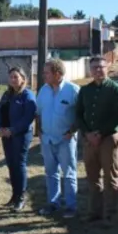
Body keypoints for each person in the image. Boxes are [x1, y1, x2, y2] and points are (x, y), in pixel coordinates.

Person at [75, 55, 118, 223]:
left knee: (110, 176)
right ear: (90, 70)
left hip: (108, 138)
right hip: (89, 139)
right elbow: (78, 114)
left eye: (101, 67)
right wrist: (87, 133)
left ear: (107, 68)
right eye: (94, 67)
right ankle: (94, 212)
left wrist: (100, 134)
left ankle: (110, 213)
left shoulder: (115, 89)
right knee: (92, 176)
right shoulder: (85, 90)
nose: (98, 70)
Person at [35, 59, 81, 219]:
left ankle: (71, 206)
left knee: (68, 173)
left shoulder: (73, 90)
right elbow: (38, 111)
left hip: (65, 139)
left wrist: (72, 131)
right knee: (51, 172)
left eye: (47, 72)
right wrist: (39, 130)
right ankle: (53, 203)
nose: (43, 75)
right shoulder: (43, 91)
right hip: (47, 139)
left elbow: (81, 114)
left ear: (58, 73)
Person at [0, 67, 37, 212]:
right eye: (11, 77)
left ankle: (21, 198)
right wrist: (0, 128)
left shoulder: (27, 95)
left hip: (20, 136)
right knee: (11, 165)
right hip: (5, 135)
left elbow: (28, 118)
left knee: (19, 165)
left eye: (16, 77)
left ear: (23, 79)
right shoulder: (7, 94)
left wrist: (12, 130)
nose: (13, 79)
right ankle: (14, 195)